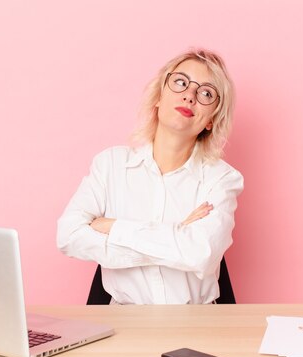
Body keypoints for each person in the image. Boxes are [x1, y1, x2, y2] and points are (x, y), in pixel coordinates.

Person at [57, 48, 244, 304]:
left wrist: (113, 227)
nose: (190, 95)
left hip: (196, 324)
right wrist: (176, 234)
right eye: (180, 82)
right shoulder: (110, 164)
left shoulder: (222, 179)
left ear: (211, 120)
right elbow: (68, 235)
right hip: (122, 324)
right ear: (159, 97)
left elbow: (201, 254)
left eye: (206, 93)